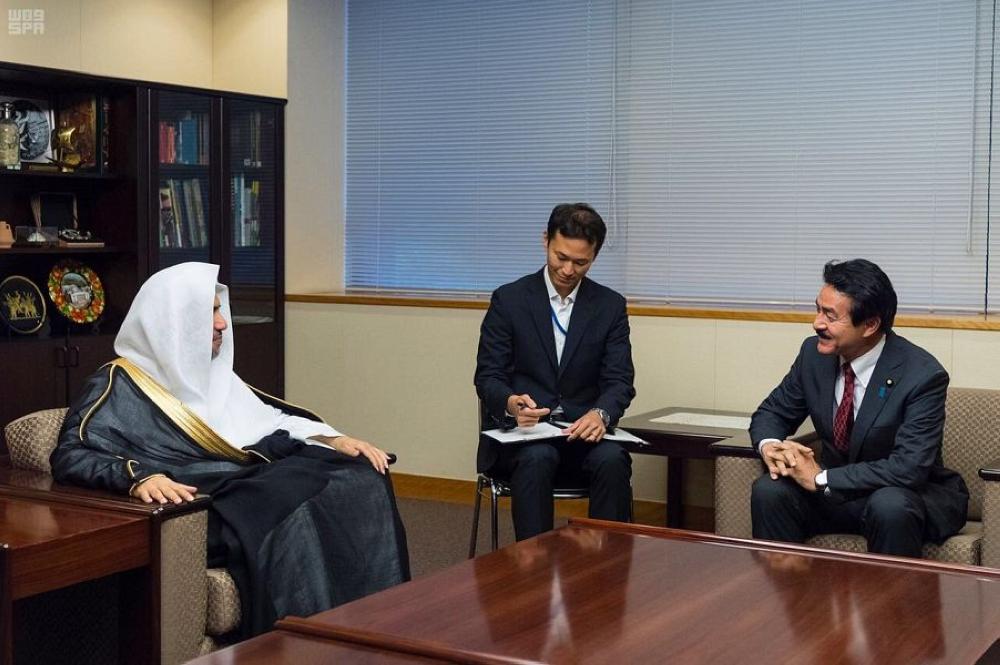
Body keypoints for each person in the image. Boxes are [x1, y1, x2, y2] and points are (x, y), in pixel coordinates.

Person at [50, 262, 410, 636]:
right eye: (209, 314)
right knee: (291, 499)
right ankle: (307, 642)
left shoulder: (213, 372)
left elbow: (268, 418)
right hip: (205, 499)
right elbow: (71, 454)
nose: (223, 323)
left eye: (219, 311)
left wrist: (333, 439)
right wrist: (138, 478)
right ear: (173, 321)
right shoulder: (117, 382)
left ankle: (373, 627)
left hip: (246, 479)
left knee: (362, 475)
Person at [749, 259, 968, 557]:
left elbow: (908, 468)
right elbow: (773, 412)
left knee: (889, 506)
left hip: (900, 496)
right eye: (818, 309)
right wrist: (772, 448)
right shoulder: (813, 355)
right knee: (769, 490)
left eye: (830, 315)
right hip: (835, 494)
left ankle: (892, 591)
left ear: (870, 325)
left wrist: (821, 478)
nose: (817, 323)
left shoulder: (921, 375)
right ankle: (787, 586)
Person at [474, 203, 635, 541]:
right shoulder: (509, 300)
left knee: (613, 460)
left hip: (583, 436)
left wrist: (601, 414)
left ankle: (608, 566)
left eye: (581, 262)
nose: (568, 270)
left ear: (594, 256)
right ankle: (534, 565)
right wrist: (511, 403)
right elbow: (488, 375)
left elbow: (620, 380)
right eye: (560, 257)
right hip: (524, 438)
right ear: (545, 240)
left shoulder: (609, 306)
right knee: (537, 457)